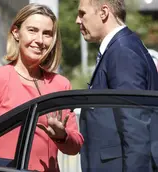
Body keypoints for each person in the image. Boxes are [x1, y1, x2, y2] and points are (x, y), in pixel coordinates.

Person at [0, 3, 84, 172]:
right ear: (16, 33)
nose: (40, 40)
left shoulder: (61, 84)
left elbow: (75, 146)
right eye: (32, 30)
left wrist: (62, 136)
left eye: (47, 34)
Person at [75, 0, 158, 172]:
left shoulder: (122, 51)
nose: (78, 20)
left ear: (104, 12)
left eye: (82, 13)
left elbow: (134, 128)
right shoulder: (122, 47)